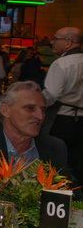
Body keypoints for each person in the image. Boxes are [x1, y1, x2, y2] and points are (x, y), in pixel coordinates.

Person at [0, 80, 68, 170]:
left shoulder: (54, 148)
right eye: (30, 108)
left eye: (43, 110)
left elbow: (68, 184)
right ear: (5, 110)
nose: (40, 116)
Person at [43, 27, 83, 180]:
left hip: (61, 119)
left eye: (55, 38)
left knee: (58, 162)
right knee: (76, 163)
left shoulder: (62, 63)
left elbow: (51, 95)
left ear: (68, 42)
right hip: (80, 119)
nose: (51, 42)